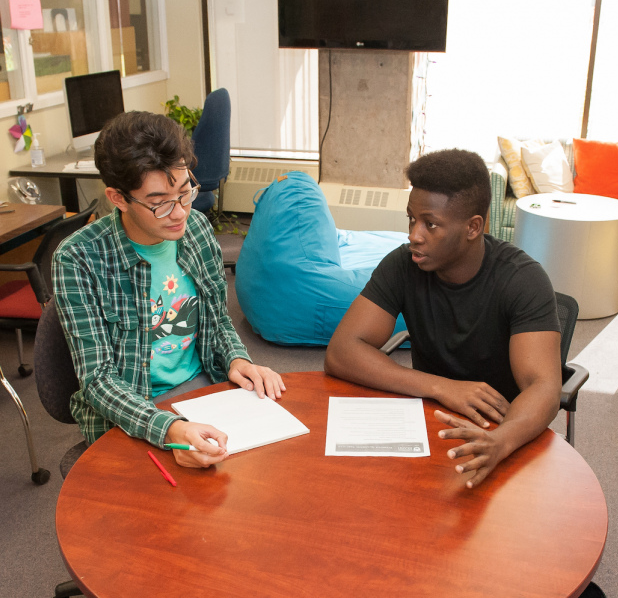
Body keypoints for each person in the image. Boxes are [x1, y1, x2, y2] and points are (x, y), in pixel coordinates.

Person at [53, 111, 285, 469]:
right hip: (131, 407)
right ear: (118, 198)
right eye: (160, 202)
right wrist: (170, 429)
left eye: (185, 191)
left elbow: (217, 321)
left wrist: (237, 359)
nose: (179, 212)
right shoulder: (78, 259)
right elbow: (98, 380)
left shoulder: (195, 228)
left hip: (203, 387)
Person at [324, 148, 561, 488]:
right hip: (428, 420)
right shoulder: (404, 264)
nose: (414, 235)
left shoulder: (522, 279)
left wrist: (502, 440)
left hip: (504, 433)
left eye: (430, 224)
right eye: (411, 219)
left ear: (473, 227)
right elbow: (341, 351)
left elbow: (544, 387)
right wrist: (441, 387)